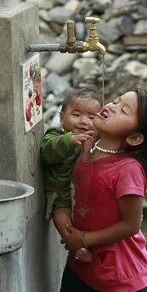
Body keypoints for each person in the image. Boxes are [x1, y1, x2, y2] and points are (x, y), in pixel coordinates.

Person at [52, 89, 147, 292]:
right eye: (115, 100)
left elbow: (130, 225)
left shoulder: (127, 170)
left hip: (117, 278)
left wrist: (84, 239)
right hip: (82, 267)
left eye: (123, 110)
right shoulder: (87, 148)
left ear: (134, 138)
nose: (110, 106)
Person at [41, 87, 102, 262]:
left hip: (85, 197)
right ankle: (76, 247)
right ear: (62, 118)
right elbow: (46, 153)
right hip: (62, 196)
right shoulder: (56, 136)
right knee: (63, 222)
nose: (84, 121)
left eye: (92, 117)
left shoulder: (98, 141)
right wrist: (70, 141)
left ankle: (91, 244)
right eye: (76, 115)